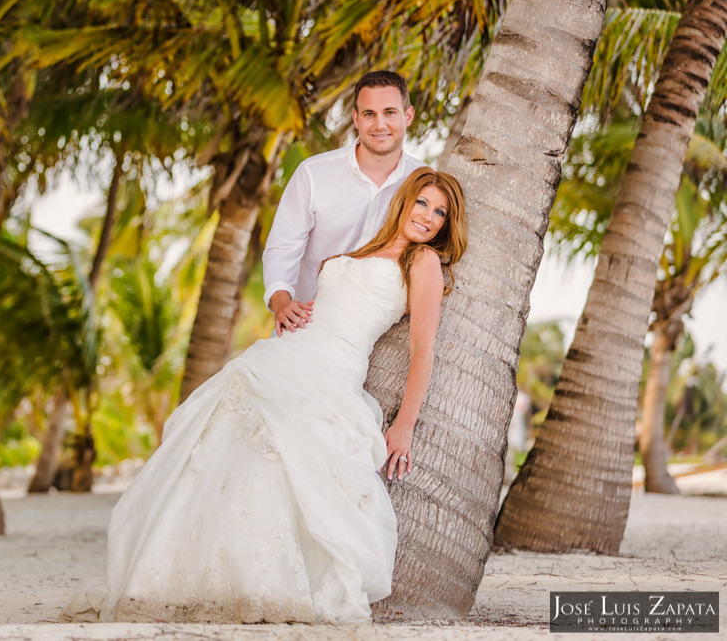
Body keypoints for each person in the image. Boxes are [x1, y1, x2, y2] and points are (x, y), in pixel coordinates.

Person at [62, 167, 467, 625]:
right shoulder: (363, 249)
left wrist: (404, 424)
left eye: (440, 213)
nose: (429, 217)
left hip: (331, 373)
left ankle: (265, 584)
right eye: (423, 203)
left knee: (277, 468)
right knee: (224, 457)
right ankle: (194, 577)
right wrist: (286, 307)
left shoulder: (423, 263)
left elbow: (423, 348)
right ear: (404, 200)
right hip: (284, 356)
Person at [264, 70, 427, 337]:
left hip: (378, 342)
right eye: (369, 114)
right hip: (303, 327)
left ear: (407, 116)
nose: (379, 124)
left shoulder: (424, 185)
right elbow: (283, 246)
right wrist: (282, 303)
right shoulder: (313, 174)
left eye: (390, 112)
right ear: (356, 118)